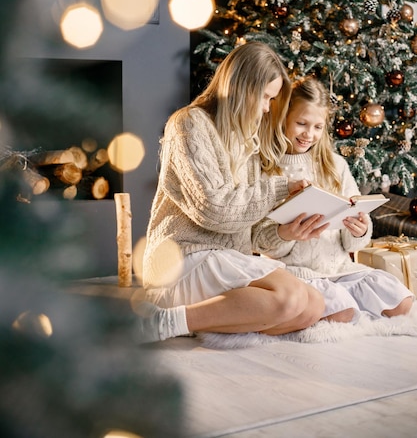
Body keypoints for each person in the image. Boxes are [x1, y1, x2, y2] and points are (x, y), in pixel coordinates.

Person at [138, 42, 326, 343]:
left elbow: (252, 236)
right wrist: (279, 187)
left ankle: (201, 319)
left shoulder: (247, 139)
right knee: (288, 298)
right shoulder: (188, 123)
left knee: (312, 306)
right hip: (182, 258)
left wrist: (286, 233)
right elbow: (213, 209)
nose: (267, 108)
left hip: (224, 259)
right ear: (242, 89)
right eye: (265, 97)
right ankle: (165, 320)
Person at [264, 76, 414, 323]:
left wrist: (359, 230)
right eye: (301, 123)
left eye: (317, 126)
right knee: (340, 311)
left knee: (401, 302)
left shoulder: (335, 165)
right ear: (283, 118)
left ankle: (342, 303)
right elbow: (262, 242)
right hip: (297, 273)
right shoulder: (269, 168)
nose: (309, 134)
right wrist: (287, 234)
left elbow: (354, 243)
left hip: (340, 269)